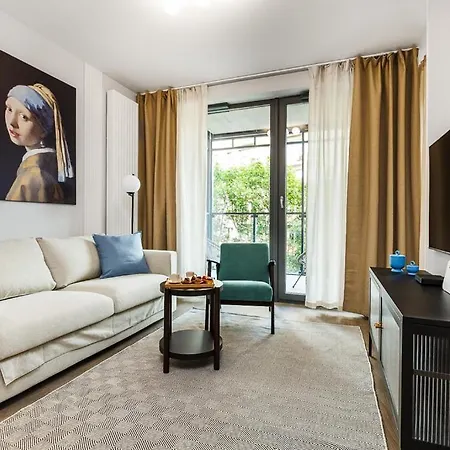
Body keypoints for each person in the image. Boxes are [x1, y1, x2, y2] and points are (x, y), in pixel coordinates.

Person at [4, 83, 73, 203]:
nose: (12, 122)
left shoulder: (32, 176)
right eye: (9, 109)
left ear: (43, 129)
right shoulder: (47, 165)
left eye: (24, 117)